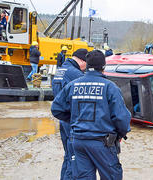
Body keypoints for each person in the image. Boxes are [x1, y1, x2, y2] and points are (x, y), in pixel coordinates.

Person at [51, 50, 131, 179]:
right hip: (102, 143)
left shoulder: (73, 85)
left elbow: (56, 109)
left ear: (87, 65)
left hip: (78, 142)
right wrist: (121, 134)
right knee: (112, 176)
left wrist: (74, 120)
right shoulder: (110, 87)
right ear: (103, 67)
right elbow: (121, 117)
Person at [52, 48, 88, 180]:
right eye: (86, 64)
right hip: (72, 120)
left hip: (63, 118)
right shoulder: (75, 74)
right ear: (82, 61)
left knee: (68, 155)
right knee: (74, 157)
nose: (86, 68)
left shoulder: (61, 69)